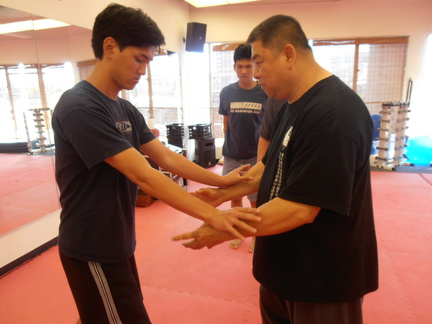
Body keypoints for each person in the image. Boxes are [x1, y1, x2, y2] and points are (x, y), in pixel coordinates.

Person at [51, 4, 260, 324]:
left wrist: (221, 181)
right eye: (139, 59)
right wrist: (216, 216)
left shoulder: (124, 109)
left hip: (118, 240)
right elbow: (144, 175)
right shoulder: (80, 106)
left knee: (102, 314)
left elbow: (164, 157)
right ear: (110, 47)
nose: (143, 70)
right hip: (91, 247)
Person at [173, 15, 378, 324]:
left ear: (288, 54)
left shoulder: (334, 113)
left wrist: (220, 228)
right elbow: (268, 166)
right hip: (282, 272)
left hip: (321, 281)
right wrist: (220, 193)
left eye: (259, 63)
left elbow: (300, 209)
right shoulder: (293, 103)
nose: (255, 75)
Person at [218, 43, 267, 250]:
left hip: (255, 156)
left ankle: (255, 236)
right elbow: (226, 124)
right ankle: (237, 233)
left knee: (255, 201)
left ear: (255, 66)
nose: (245, 71)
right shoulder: (227, 92)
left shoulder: (264, 93)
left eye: (249, 66)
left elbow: (267, 128)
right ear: (234, 67)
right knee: (234, 198)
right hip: (232, 156)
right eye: (240, 66)